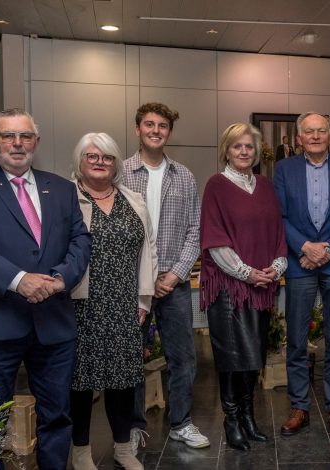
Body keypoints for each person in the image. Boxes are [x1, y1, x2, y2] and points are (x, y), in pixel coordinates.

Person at [0, 108, 91, 470]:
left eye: (25, 136)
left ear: (36, 142)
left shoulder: (62, 188)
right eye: (7, 135)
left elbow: (80, 240)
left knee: (57, 416)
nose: (17, 143)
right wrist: (19, 280)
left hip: (54, 323)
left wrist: (61, 278)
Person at [123, 102, 209, 450]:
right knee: (130, 357)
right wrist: (141, 277)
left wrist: (175, 273)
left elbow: (195, 230)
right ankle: (132, 428)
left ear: (169, 132)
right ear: (137, 129)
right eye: (149, 124)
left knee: (183, 357)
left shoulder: (184, 176)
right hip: (131, 284)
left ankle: (181, 423)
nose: (155, 130)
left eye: (162, 126)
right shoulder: (120, 172)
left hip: (174, 283)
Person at [68, 133, 158, 470]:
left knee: (123, 381)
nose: (100, 162)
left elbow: (149, 251)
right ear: (80, 161)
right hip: (81, 304)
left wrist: (144, 300)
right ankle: (80, 452)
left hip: (125, 305)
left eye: (107, 157)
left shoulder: (133, 199)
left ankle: (123, 448)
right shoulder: (67, 198)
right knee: (80, 381)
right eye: (92, 156)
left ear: (116, 163)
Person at [200, 122, 287, 451]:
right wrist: (247, 273)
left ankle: (249, 417)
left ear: (257, 151)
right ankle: (232, 419)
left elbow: (278, 233)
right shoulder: (216, 185)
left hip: (262, 288)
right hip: (229, 288)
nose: (244, 151)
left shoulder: (264, 185)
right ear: (227, 150)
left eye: (249, 146)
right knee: (232, 357)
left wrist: (277, 267)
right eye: (237, 146)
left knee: (254, 355)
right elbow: (215, 241)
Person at [273, 112, 330, 439]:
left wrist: (328, 249)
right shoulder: (284, 169)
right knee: (297, 339)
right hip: (300, 262)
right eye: (309, 132)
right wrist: (305, 247)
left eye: (321, 130)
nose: (315, 136)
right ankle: (299, 406)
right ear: (299, 138)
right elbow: (279, 216)